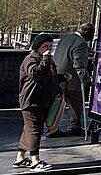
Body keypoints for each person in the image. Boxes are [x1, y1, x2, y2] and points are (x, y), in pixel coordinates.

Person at [16, 33, 66, 171]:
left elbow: (49, 78)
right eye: (45, 46)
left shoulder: (48, 60)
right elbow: (37, 74)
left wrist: (62, 78)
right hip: (32, 101)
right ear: (38, 46)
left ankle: (20, 157)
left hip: (42, 100)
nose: (48, 49)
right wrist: (45, 59)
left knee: (28, 129)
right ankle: (35, 160)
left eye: (50, 46)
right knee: (35, 130)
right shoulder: (30, 59)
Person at [50, 23, 93, 138]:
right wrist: (86, 80)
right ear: (87, 33)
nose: (92, 38)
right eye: (92, 35)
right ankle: (74, 126)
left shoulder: (66, 38)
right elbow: (79, 65)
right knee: (75, 103)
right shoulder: (81, 43)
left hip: (58, 76)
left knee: (57, 104)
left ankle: (52, 127)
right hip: (71, 79)